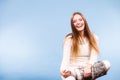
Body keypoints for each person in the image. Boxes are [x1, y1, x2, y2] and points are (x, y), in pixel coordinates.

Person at [60, 12, 111, 80]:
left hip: (88, 70)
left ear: (84, 21)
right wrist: (62, 71)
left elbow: (93, 57)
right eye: (75, 21)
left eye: (80, 20)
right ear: (72, 25)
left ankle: (82, 76)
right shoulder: (69, 39)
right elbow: (65, 58)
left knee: (107, 64)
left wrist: (88, 67)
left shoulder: (94, 37)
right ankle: (81, 77)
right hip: (73, 70)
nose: (78, 22)